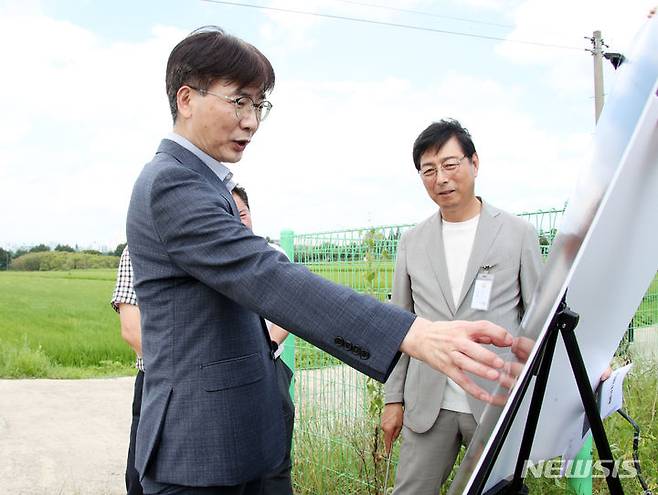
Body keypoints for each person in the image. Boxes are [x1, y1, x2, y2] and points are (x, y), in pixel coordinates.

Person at [126, 26, 514, 494]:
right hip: (200, 452)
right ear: (186, 99)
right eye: (239, 101)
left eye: (259, 104)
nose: (251, 121)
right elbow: (266, 277)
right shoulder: (173, 183)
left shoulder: (210, 183)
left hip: (244, 440)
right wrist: (414, 332)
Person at [381, 119, 543, 494]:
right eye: (429, 170)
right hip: (428, 405)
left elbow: (539, 318)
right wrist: (393, 400)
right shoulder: (412, 242)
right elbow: (400, 326)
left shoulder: (517, 234)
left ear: (474, 163)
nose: (441, 178)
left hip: (494, 400)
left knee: (498, 490)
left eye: (451, 164)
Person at [111, 246, 144, 495]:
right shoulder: (136, 250)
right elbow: (132, 331)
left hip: (213, 386)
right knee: (140, 475)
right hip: (155, 379)